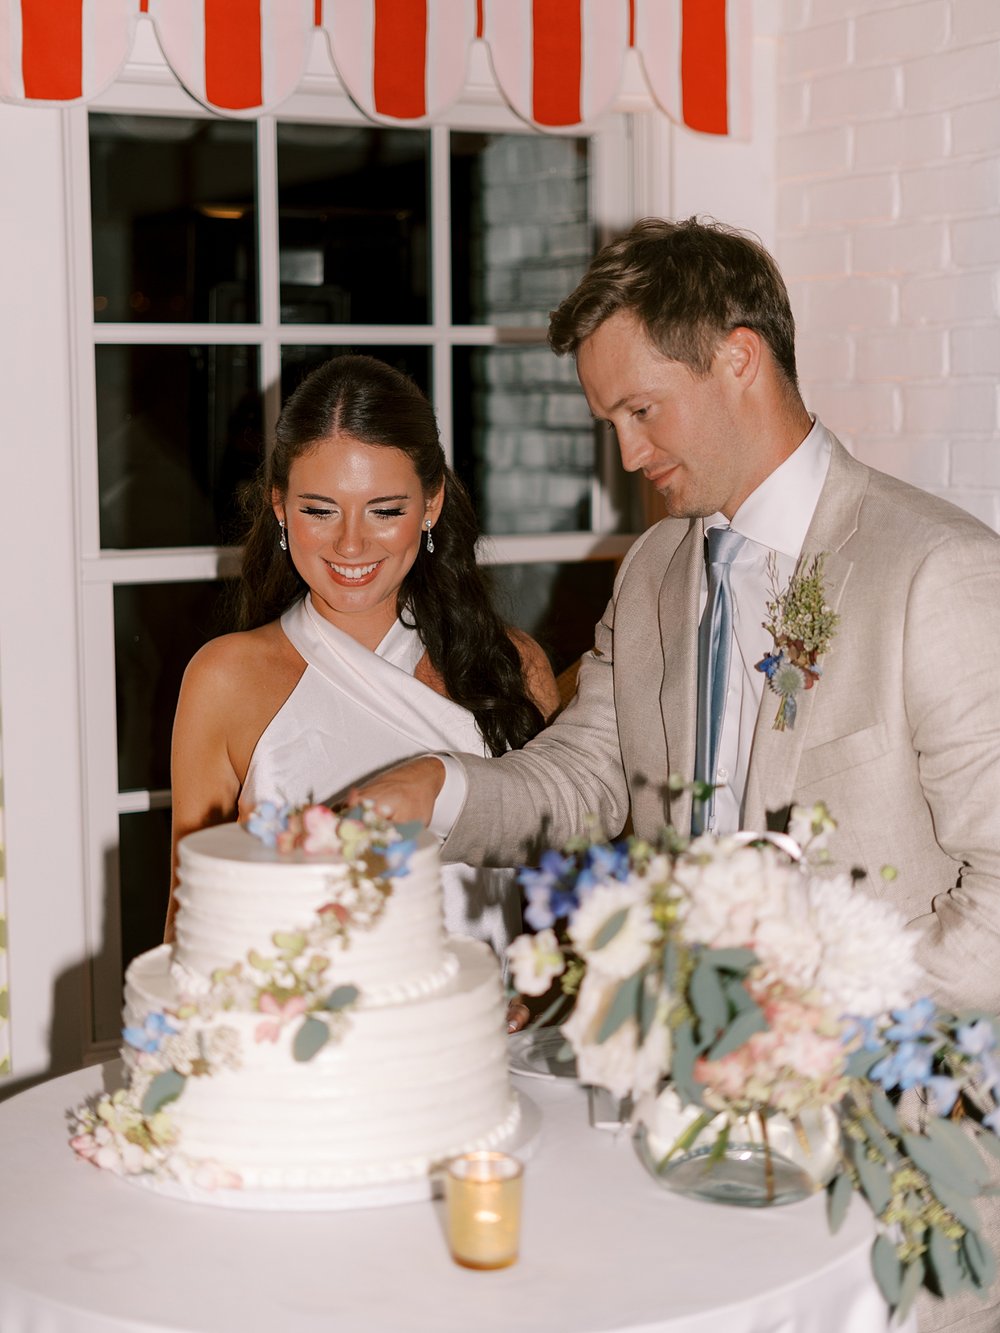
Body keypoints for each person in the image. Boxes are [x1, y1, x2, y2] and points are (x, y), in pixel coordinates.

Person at [353, 217, 1000, 1330]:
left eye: (639, 409)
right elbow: (585, 774)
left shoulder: (934, 571)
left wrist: (803, 1016)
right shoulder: (655, 567)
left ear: (737, 358)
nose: (625, 453)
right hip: (683, 1137)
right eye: (609, 419)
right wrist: (439, 790)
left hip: (891, 1169)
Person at [167, 354, 560, 977]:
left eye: (385, 510)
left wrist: (536, 995)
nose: (350, 544)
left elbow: (560, 897)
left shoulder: (510, 666)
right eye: (320, 510)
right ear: (278, 506)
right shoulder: (224, 679)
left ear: (431, 506)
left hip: (480, 1049)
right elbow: (189, 925)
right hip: (306, 1053)